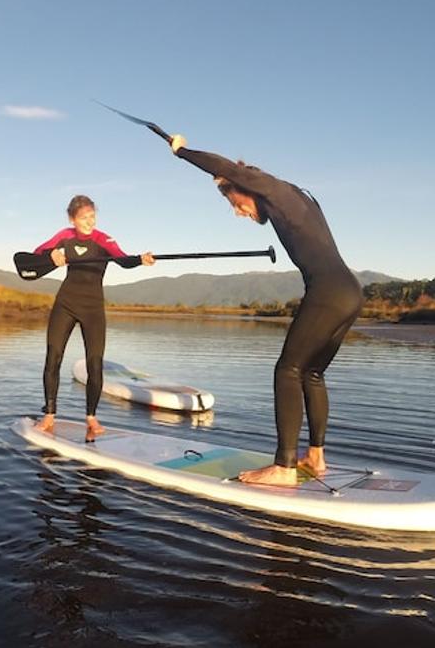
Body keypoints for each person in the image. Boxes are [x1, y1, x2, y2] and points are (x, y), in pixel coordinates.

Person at [169, 134, 363, 486]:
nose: (237, 212)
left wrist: (182, 151)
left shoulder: (274, 190)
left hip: (328, 292)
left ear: (246, 187)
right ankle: (316, 457)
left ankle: (284, 468)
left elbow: (228, 167)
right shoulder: (293, 196)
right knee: (311, 374)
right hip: (350, 292)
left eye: (234, 203)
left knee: (287, 369)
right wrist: (228, 181)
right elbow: (230, 173)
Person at [33, 195, 154, 441]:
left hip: (93, 309)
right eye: (83, 217)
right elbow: (36, 255)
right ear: (72, 219)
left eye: (92, 216)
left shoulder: (104, 240)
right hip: (65, 304)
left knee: (95, 363)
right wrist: (51, 257)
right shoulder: (64, 236)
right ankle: (49, 414)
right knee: (53, 357)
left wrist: (140, 260)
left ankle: (91, 417)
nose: (89, 221)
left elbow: (123, 259)